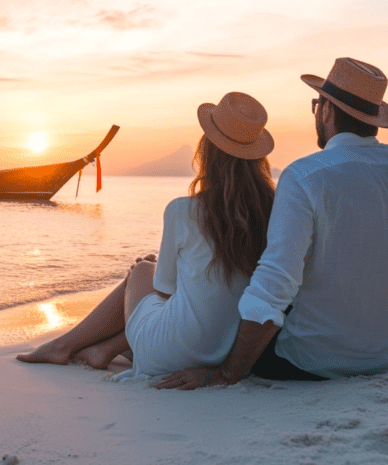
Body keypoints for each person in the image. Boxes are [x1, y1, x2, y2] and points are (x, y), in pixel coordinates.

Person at [157, 57, 388, 389]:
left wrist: (228, 372)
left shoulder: (306, 176)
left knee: (248, 315)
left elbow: (275, 284)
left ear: (326, 111)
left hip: (313, 362)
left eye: (316, 105)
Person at [16, 92, 275, 377]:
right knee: (162, 286)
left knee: (140, 270)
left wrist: (148, 270)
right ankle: (102, 350)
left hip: (177, 352)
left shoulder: (183, 210)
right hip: (228, 350)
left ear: (208, 153)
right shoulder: (274, 213)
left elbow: (165, 290)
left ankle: (62, 346)